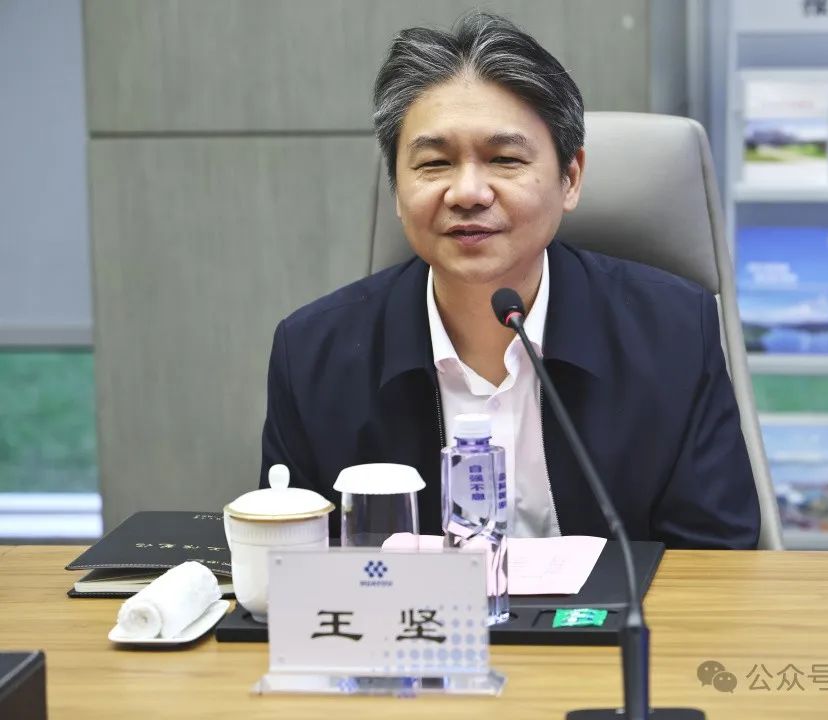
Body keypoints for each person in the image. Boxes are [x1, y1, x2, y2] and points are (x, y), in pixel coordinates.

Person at [259, 10, 760, 549]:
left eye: (504, 159)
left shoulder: (674, 335)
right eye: (434, 163)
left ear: (570, 179)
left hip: (618, 608)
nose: (467, 193)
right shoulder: (313, 355)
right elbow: (293, 564)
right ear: (397, 191)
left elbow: (715, 562)